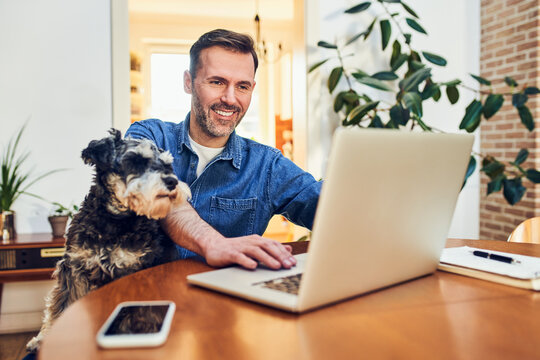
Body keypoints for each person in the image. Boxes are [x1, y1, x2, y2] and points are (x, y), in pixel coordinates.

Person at [125, 29, 322, 270]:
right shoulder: (150, 135)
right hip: (144, 299)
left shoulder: (266, 166)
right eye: (217, 82)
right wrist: (213, 243)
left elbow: (327, 208)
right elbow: (155, 189)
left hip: (225, 304)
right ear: (188, 82)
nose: (230, 98)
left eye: (242, 86)